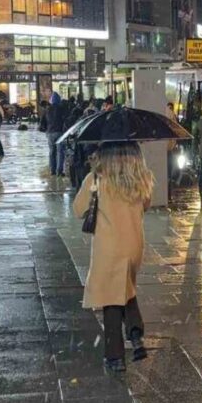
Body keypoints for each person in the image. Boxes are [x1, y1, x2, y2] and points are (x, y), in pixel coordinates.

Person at [72, 141, 152, 373]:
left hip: (109, 246)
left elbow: (78, 210)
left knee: (111, 299)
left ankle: (115, 355)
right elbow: (145, 205)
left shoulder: (97, 179)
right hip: (134, 243)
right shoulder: (141, 178)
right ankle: (135, 332)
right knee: (125, 285)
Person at [39, 92, 68, 176]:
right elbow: (66, 120)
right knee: (60, 152)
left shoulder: (46, 110)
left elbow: (42, 123)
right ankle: (59, 171)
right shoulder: (62, 109)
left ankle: (52, 170)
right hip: (60, 133)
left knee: (52, 152)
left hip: (50, 133)